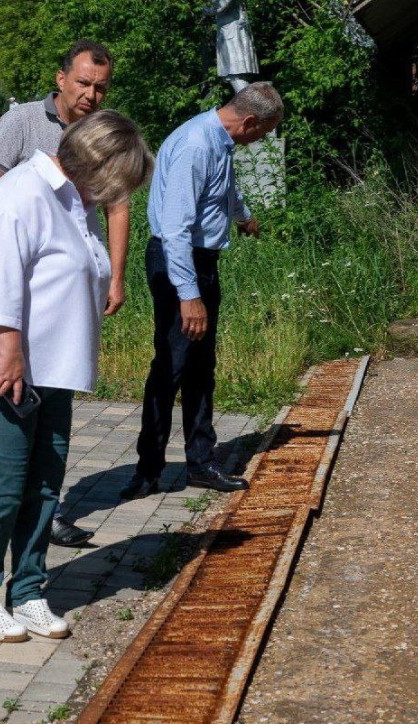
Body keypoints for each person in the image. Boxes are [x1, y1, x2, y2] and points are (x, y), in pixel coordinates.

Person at [0, 110, 152, 642]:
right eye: (116, 182)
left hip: (51, 368)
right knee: (2, 484)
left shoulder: (70, 197)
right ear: (96, 164)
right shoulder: (24, 193)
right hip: (6, 363)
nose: (114, 195)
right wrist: (9, 351)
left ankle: (30, 590)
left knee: (43, 484)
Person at [0, 38, 128, 548]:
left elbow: (117, 207)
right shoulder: (22, 121)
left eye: (100, 87)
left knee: (55, 412)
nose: (91, 95)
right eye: (83, 83)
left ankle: (46, 517)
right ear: (61, 79)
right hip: (23, 274)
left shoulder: (101, 132)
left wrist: (114, 276)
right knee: (13, 439)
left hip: (74, 275)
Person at [120, 82, 283, 501]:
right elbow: (175, 229)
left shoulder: (218, 140)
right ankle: (148, 470)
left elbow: (222, 191)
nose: (260, 140)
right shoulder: (197, 145)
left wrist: (244, 217)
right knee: (171, 367)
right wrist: (188, 294)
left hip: (200, 261)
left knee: (200, 366)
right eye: (262, 132)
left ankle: (201, 463)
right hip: (179, 262)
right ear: (248, 121)